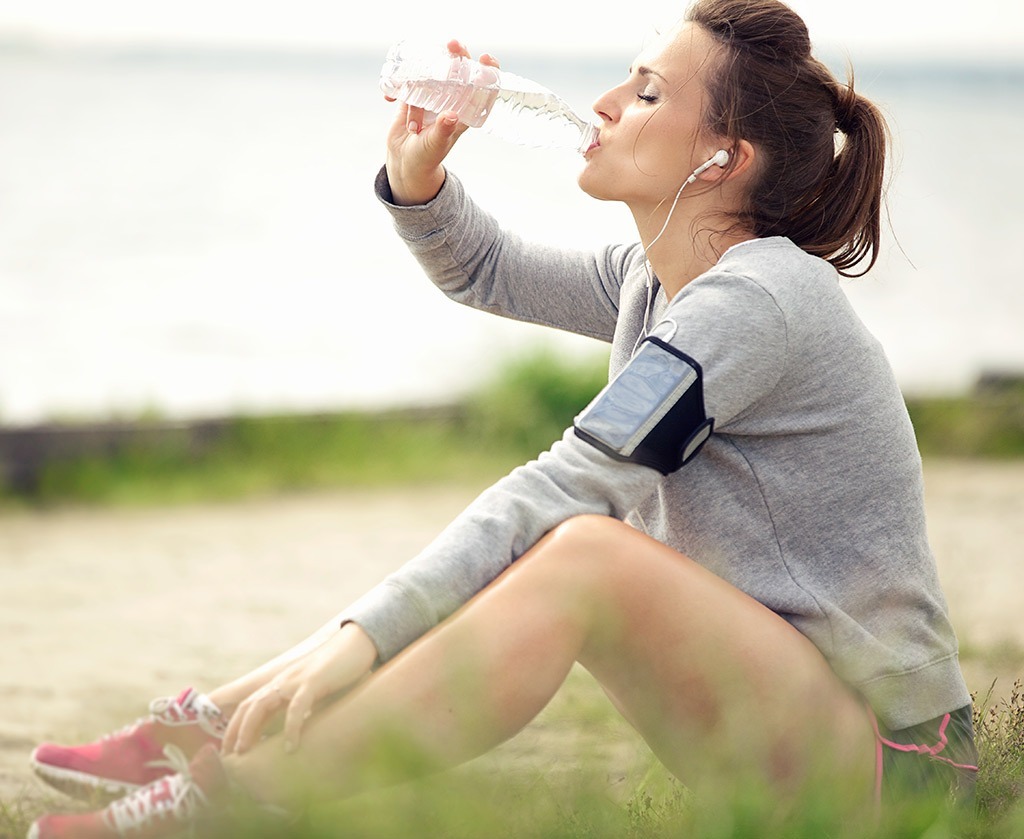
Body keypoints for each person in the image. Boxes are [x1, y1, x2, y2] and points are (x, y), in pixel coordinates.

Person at [28, 0, 979, 835]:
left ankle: (222, 804)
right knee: (561, 542)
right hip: (788, 718)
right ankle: (206, 729)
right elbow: (487, 269)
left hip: (899, 770)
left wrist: (363, 633)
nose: (604, 103)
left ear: (724, 158)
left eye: (647, 94)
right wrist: (419, 181)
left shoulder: (756, 305)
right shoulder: (662, 280)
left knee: (581, 548)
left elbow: (574, 482)